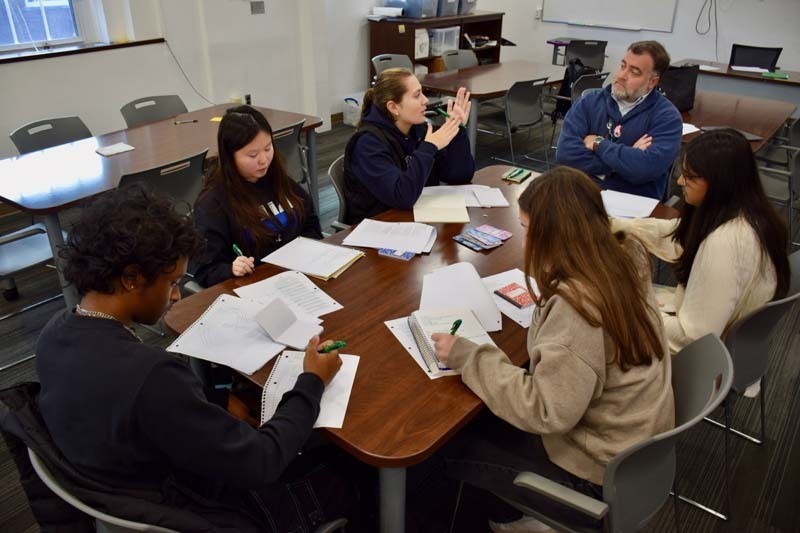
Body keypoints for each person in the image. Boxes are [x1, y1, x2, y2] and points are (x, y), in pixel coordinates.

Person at [35, 185, 360, 531]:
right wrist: (312, 380)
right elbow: (261, 462)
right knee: (348, 465)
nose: (176, 295)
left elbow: (149, 409)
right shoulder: (152, 376)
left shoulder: (55, 333)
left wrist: (210, 403)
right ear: (131, 278)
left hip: (129, 485)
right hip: (208, 507)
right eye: (172, 282)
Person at [431, 167, 674, 531]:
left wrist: (468, 355)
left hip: (593, 472)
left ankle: (510, 520)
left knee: (444, 449)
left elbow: (546, 410)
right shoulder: (624, 253)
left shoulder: (578, 306)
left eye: (528, 230)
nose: (525, 243)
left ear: (555, 235)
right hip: (635, 449)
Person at [612, 129, 790, 375]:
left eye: (689, 176)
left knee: (600, 318)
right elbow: (678, 235)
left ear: (719, 182)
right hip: (726, 337)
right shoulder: (749, 214)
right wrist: (620, 225)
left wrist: (625, 309)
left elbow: (692, 337)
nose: (680, 182)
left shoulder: (725, 245)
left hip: (701, 360)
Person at [192, 105, 322, 287]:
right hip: (255, 287)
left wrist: (307, 248)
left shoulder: (275, 177)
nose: (263, 160)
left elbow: (310, 220)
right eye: (252, 155)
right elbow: (205, 270)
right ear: (230, 157)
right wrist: (231, 269)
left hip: (298, 274)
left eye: (268, 148)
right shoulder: (212, 204)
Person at [343, 68, 476, 224]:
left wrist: (456, 129)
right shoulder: (367, 144)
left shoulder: (419, 129)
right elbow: (402, 197)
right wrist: (429, 147)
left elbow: (458, 175)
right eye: (417, 95)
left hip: (416, 219)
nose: (425, 100)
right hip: (379, 228)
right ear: (393, 107)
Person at [556, 40, 682, 200]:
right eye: (623, 66)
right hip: (581, 195)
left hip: (633, 204)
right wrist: (626, 159)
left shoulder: (667, 117)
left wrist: (598, 144)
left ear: (652, 82)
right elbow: (565, 154)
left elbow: (644, 169)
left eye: (634, 72)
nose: (622, 76)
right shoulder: (589, 102)